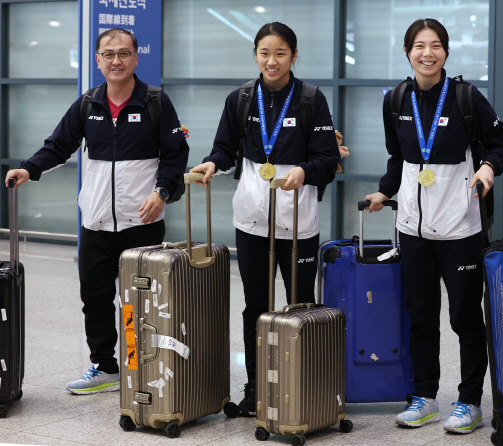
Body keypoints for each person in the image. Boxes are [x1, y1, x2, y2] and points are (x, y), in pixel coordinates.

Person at [4, 28, 189, 394]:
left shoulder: (155, 102)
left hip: (143, 221)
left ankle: (144, 366)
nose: (116, 60)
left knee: (144, 301)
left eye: (123, 54)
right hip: (96, 221)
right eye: (109, 54)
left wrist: (162, 192)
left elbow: (174, 154)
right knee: (95, 298)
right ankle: (105, 366)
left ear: (136, 58)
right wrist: (30, 168)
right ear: (98, 60)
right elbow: (59, 145)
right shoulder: (89, 104)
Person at [364, 19, 503, 434]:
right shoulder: (395, 99)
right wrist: (383, 192)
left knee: (466, 317)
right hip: (412, 227)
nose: (426, 53)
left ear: (446, 52)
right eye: (418, 46)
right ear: (407, 52)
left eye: (435, 46)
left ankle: (469, 401)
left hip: (461, 227)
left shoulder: (466, 97)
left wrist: (486, 169)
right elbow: (398, 159)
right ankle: (425, 397)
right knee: (420, 316)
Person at [190, 22, 340, 417]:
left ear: (293, 56)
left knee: (300, 306)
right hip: (252, 221)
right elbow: (224, 149)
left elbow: (328, 158)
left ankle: (303, 386)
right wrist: (211, 164)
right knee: (255, 306)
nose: (272, 61)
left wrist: (305, 172)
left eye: (280, 53)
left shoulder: (310, 99)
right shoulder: (240, 99)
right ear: (256, 55)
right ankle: (256, 386)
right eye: (264, 53)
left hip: (299, 222)